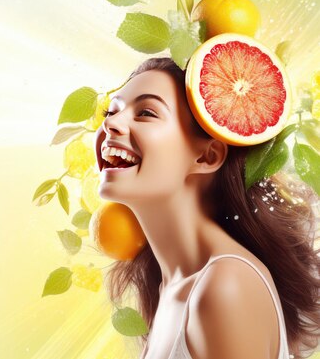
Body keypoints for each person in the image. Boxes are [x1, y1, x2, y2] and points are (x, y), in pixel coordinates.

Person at [93, 57, 320, 359]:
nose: (110, 123)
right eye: (112, 111)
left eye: (146, 113)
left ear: (207, 157)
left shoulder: (225, 285)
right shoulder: (175, 284)